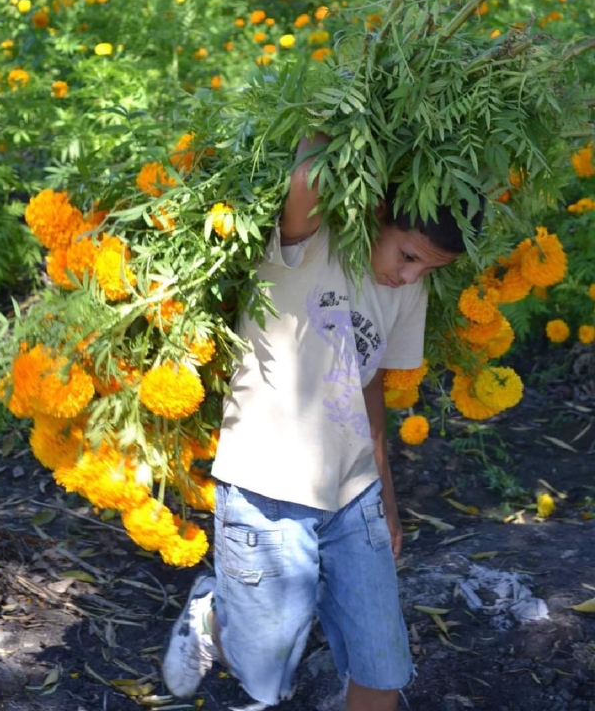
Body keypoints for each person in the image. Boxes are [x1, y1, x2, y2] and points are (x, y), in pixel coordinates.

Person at [163, 134, 482, 711]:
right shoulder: (310, 244)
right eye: (408, 257)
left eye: (428, 269)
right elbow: (308, 172)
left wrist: (385, 494)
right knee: (261, 668)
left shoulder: (409, 290)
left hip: (352, 493)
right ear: (379, 214)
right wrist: (369, 105)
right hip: (264, 489)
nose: (410, 277)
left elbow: (368, 387)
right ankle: (213, 618)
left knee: (382, 667)